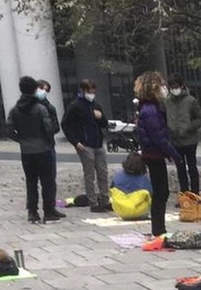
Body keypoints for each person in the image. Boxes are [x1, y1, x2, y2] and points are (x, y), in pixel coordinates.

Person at [8, 76, 63, 224]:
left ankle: (32, 212)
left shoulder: (15, 110)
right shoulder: (40, 109)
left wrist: (21, 139)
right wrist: (48, 141)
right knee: (47, 181)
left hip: (26, 151)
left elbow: (8, 129)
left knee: (31, 182)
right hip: (43, 149)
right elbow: (49, 128)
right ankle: (48, 211)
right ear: (34, 89)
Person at [134, 71, 179, 239]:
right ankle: (158, 229)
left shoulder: (148, 108)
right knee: (161, 192)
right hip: (154, 154)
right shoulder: (151, 110)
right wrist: (173, 153)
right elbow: (158, 136)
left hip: (153, 153)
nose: (163, 89)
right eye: (161, 86)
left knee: (161, 191)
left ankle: (159, 228)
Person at [62, 79, 111, 213]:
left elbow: (104, 123)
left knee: (103, 172)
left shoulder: (95, 105)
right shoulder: (75, 106)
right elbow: (66, 124)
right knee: (89, 174)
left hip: (98, 143)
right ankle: (93, 202)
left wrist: (100, 117)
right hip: (85, 144)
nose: (92, 94)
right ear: (83, 91)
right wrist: (75, 142)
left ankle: (105, 200)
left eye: (93, 92)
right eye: (90, 92)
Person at [165, 74, 201, 198]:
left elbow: (200, 119)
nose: (174, 89)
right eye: (172, 87)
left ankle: (195, 194)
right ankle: (184, 195)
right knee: (180, 170)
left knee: (192, 168)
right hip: (175, 141)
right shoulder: (167, 101)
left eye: (176, 86)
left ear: (182, 86)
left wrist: (189, 127)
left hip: (190, 141)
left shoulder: (190, 101)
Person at [109, 152, 154, 220]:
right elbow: (151, 193)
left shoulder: (118, 175)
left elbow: (111, 189)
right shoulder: (144, 178)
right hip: (139, 211)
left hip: (121, 210)